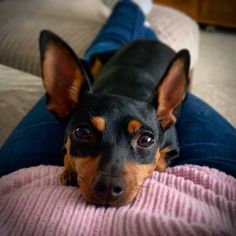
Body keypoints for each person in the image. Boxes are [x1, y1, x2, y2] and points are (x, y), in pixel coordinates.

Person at [0, 0, 236, 178]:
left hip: (134, 64)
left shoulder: (159, 114)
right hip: (134, 68)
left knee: (102, 49)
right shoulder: (159, 113)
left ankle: (131, 7)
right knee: (110, 47)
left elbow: (168, 148)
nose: (111, 181)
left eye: (144, 139)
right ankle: (134, 10)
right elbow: (171, 147)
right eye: (84, 133)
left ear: (168, 113)